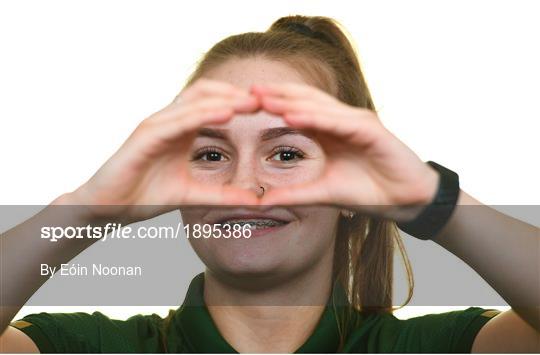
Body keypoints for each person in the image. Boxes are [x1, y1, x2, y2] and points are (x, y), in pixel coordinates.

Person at [1, 15, 539, 353]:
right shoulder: (90, 348)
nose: (243, 183)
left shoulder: (433, 348)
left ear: (355, 192)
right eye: (210, 153)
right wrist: (88, 209)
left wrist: (427, 199)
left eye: (286, 153)